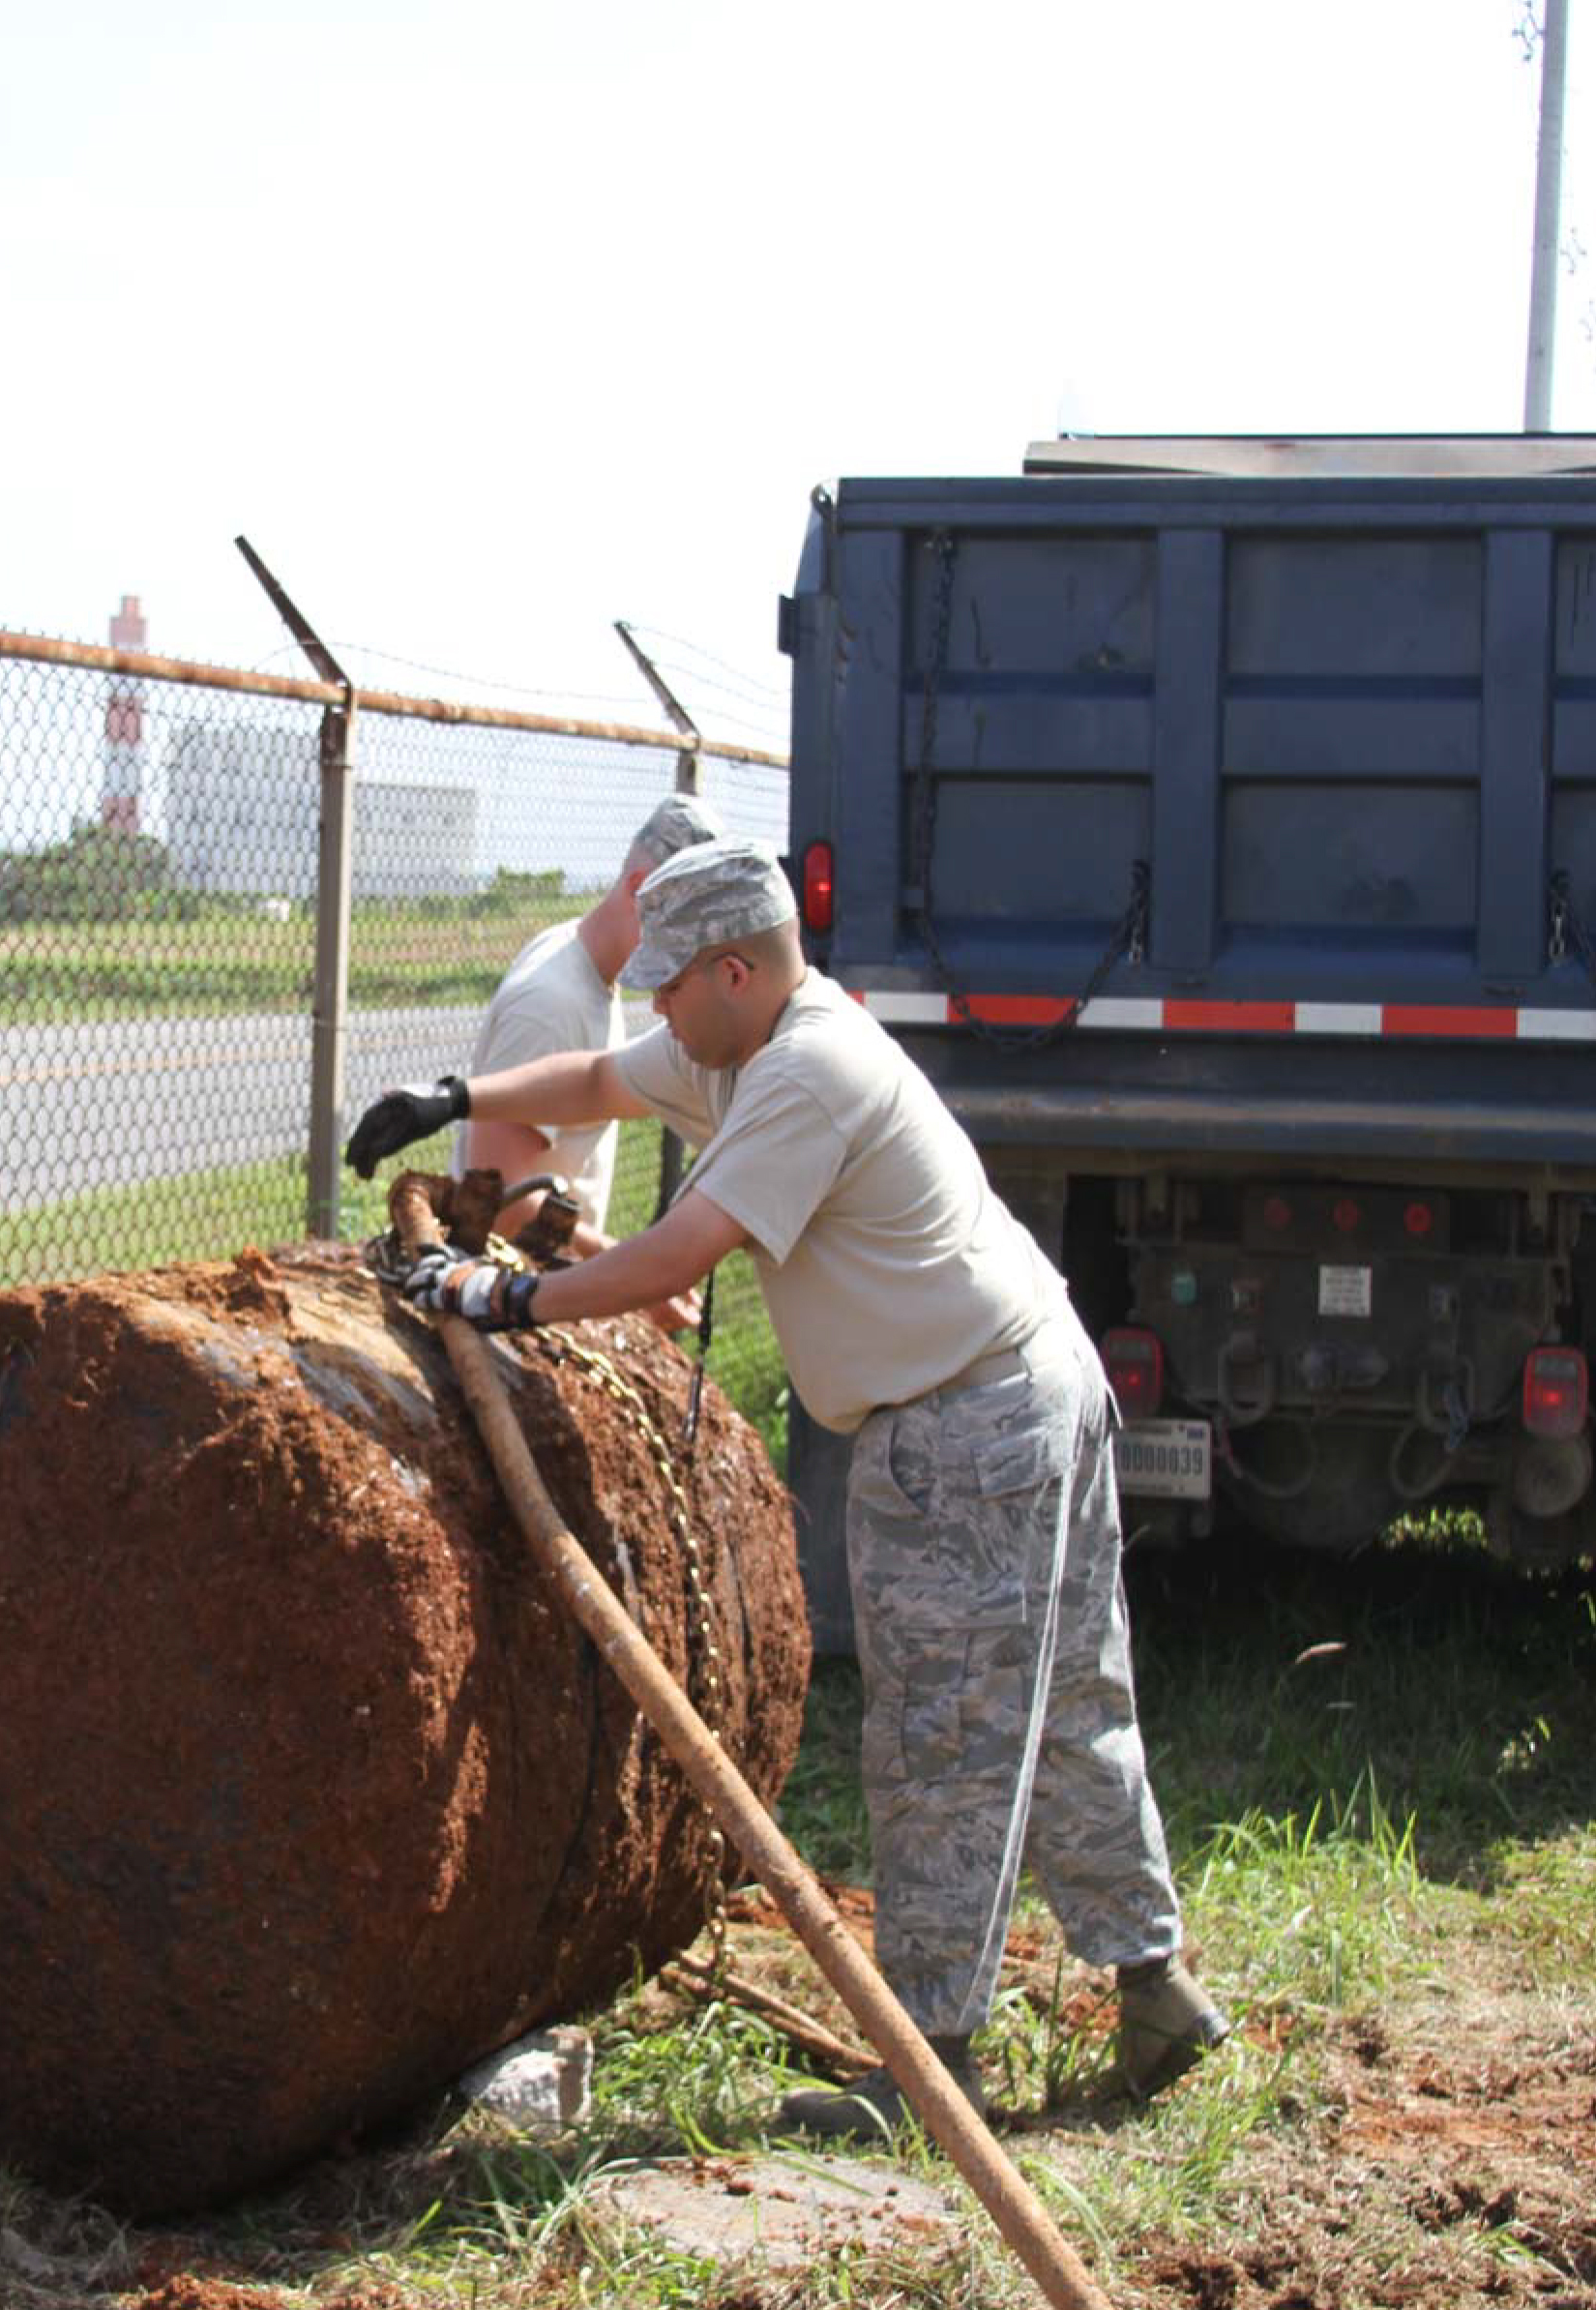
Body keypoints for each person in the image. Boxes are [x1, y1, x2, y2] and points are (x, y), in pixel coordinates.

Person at [343, 839, 1227, 2132]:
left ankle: (927, 2070)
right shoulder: (742, 1040)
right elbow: (595, 1075)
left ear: (736, 967)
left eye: (670, 986)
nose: (653, 1011)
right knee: (1066, 1703)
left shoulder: (806, 1073)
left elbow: (674, 1254)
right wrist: (452, 1090)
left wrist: (502, 1295)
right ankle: (1157, 1996)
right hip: (1030, 1377)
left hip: (968, 1424)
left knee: (944, 1738)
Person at [456, 791, 723, 1282]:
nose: (689, 949)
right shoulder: (553, 1004)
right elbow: (499, 1200)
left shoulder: (589, 969)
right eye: (682, 926)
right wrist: (635, 1272)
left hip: (540, 1284)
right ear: (640, 888)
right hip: (506, 1293)